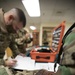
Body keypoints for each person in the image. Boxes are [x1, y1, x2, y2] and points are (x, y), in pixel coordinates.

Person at [0, 8, 26, 75]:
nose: (17, 32)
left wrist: (18, 53)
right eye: (16, 28)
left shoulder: (9, 28)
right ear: (10, 18)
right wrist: (4, 62)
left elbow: (12, 42)